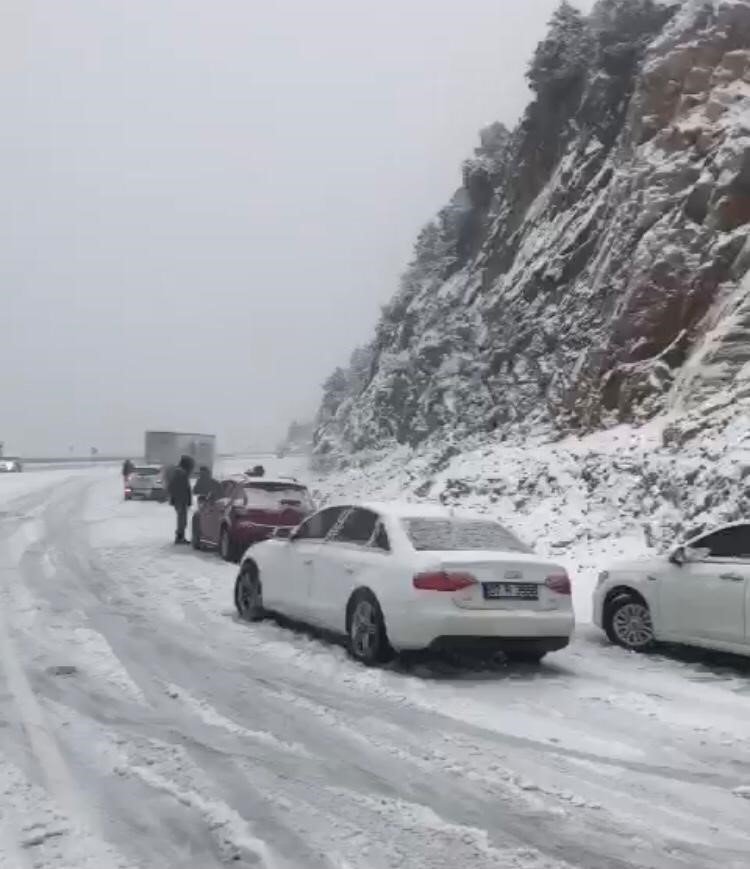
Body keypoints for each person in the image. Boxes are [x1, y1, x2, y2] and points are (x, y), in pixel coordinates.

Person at [168, 454, 195, 544]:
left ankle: (180, 537)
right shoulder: (180, 473)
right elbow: (181, 488)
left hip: (180, 500)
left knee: (182, 520)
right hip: (180, 500)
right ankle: (179, 538)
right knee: (182, 520)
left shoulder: (179, 472)